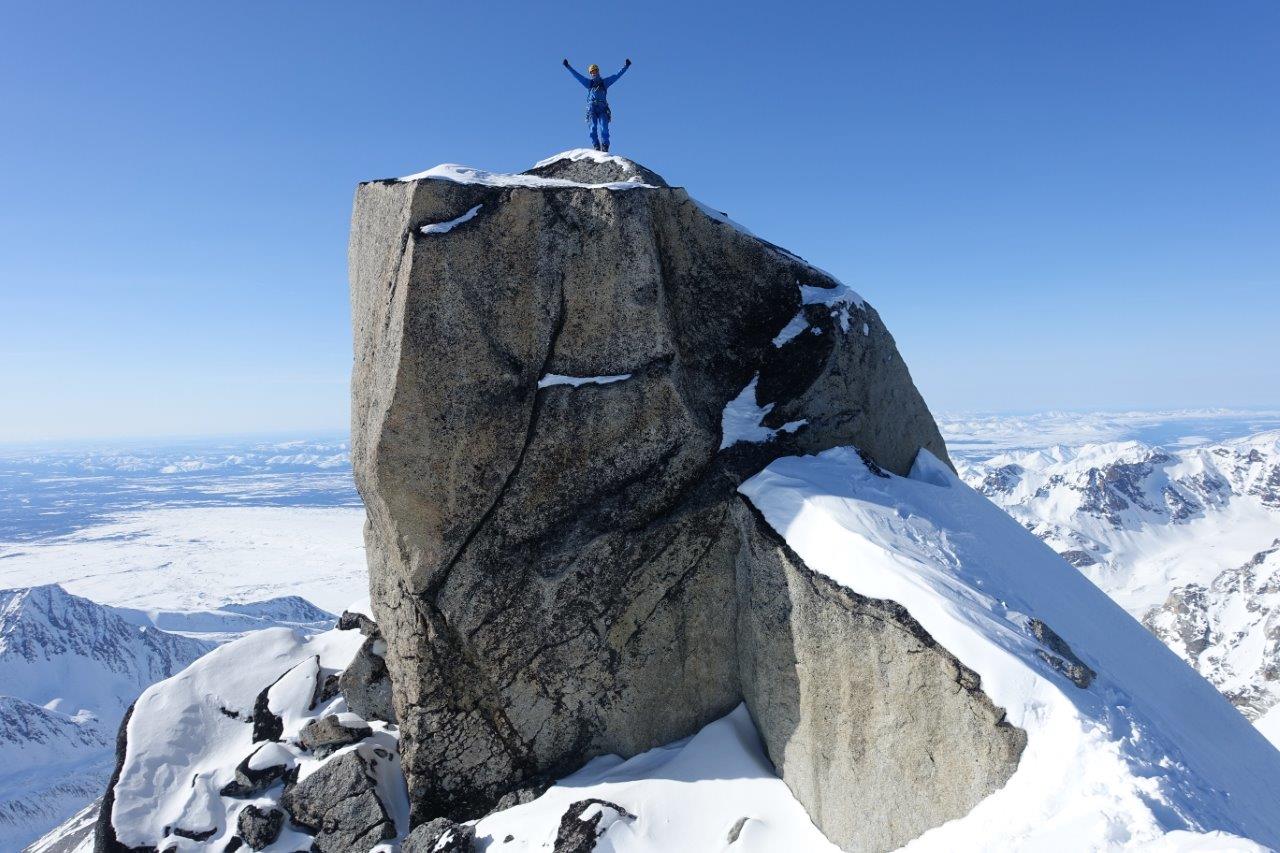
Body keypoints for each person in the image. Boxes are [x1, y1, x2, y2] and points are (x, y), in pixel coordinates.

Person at [562, 58, 631, 152]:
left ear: (598, 71)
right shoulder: (589, 83)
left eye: (595, 71)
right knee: (593, 128)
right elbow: (577, 76)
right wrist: (568, 67)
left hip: (602, 108)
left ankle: (605, 146)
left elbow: (616, 76)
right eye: (592, 72)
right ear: (590, 74)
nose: (594, 73)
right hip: (592, 108)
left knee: (604, 128)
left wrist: (625, 66)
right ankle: (596, 145)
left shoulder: (605, 83)